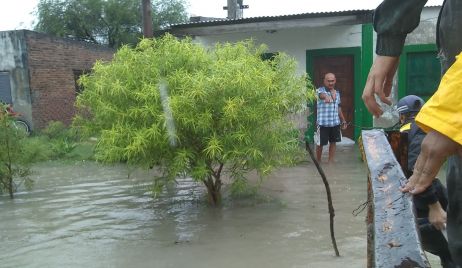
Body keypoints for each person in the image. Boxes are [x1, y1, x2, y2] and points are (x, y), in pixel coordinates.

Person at [361, 1, 462, 265]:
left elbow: (420, 173)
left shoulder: (419, 131)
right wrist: (391, 39)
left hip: (427, 198)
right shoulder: (423, 128)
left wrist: (456, 108)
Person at [397, 95, 454, 268]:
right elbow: (417, 168)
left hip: (411, 201)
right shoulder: (423, 130)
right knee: (452, 251)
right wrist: (434, 206)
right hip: (426, 200)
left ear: (401, 116)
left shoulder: (399, 134)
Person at [315, 73, 347, 163]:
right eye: (328, 81)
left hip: (335, 123)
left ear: (335, 81)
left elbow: (339, 108)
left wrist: (343, 120)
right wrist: (326, 96)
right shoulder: (319, 91)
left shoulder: (337, 93)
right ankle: (318, 162)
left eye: (332, 81)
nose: (330, 83)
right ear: (324, 81)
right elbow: (321, 95)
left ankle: (331, 162)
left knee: (333, 143)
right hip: (322, 123)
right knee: (320, 144)